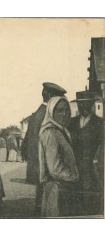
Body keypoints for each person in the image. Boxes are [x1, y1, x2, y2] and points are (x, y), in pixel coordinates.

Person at [21, 82, 67, 216]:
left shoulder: (37, 113)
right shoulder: (50, 114)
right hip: (48, 162)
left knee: (41, 193)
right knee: (50, 195)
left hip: (38, 162)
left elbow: (27, 139)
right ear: (51, 96)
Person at [39, 97, 79, 217]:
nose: (64, 114)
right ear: (51, 112)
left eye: (67, 111)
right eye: (60, 111)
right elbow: (54, 169)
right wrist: (74, 176)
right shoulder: (51, 132)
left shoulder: (61, 131)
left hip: (59, 188)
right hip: (56, 189)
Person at [68, 91, 103, 215]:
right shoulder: (71, 123)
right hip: (75, 168)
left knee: (91, 202)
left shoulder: (100, 123)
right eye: (80, 105)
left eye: (86, 104)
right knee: (75, 202)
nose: (83, 108)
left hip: (92, 170)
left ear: (92, 104)